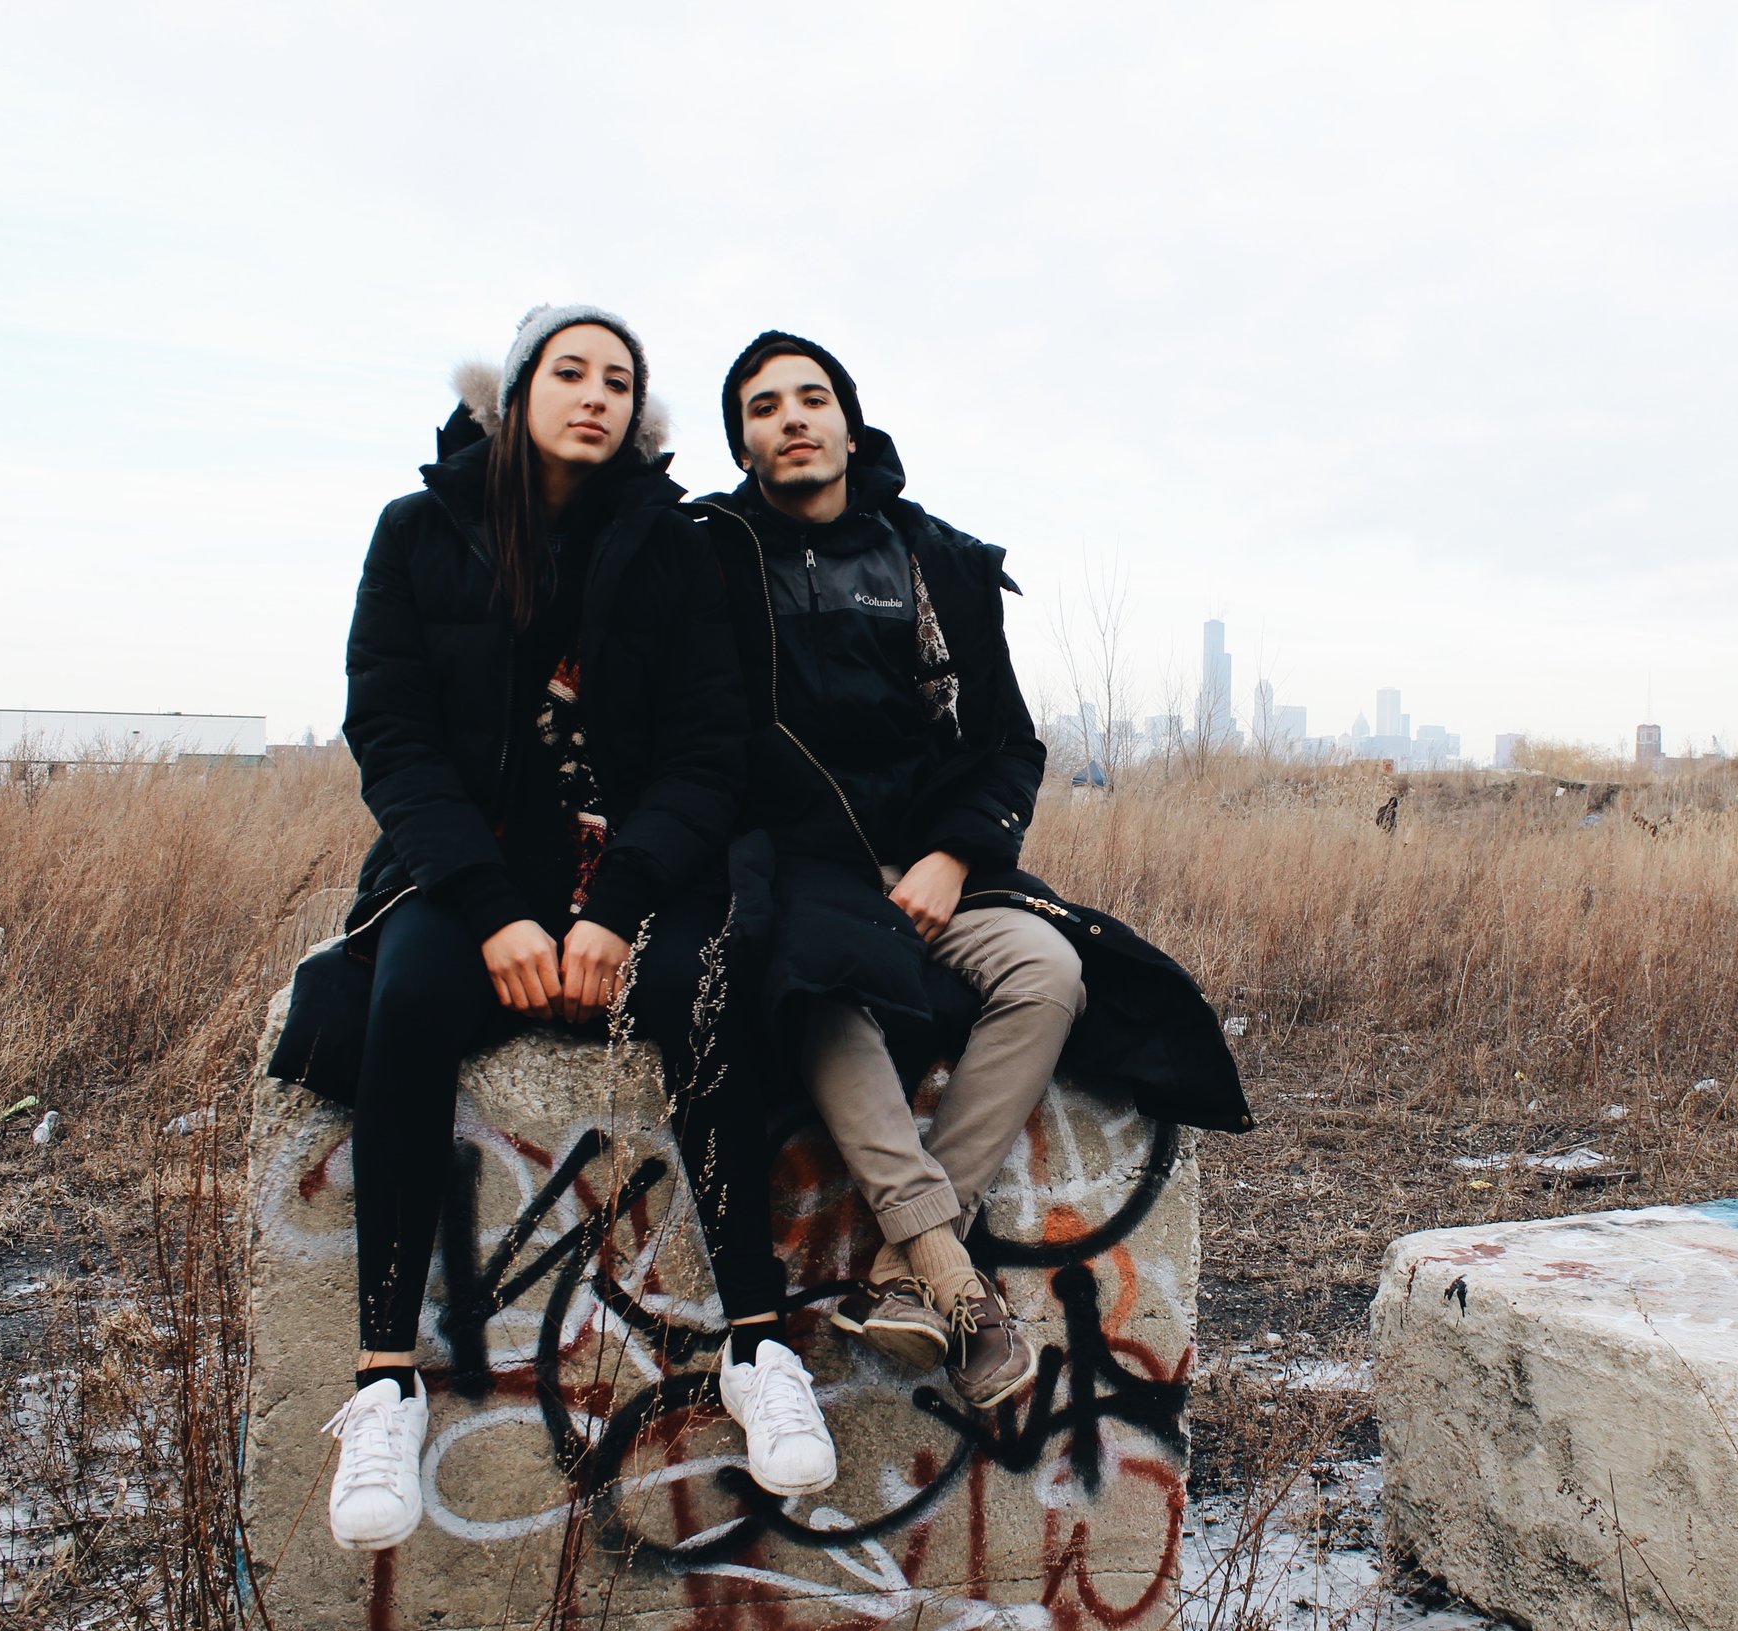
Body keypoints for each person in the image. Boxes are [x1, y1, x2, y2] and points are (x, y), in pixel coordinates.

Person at [320, 305, 834, 1552]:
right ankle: (383, 1380)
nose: (594, 395)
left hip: (637, 873)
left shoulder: (675, 547)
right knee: (403, 1007)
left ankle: (760, 1350)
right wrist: (492, 910)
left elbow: (711, 747)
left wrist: (612, 909)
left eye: (619, 380)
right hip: (467, 873)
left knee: (710, 1002)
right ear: (516, 392)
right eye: (569, 372)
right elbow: (389, 733)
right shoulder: (419, 531)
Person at [697, 332, 1256, 1412]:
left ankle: (906, 1271)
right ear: (744, 443)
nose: (793, 417)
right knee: (813, 982)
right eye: (765, 407)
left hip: (929, 868)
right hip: (789, 871)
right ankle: (956, 1282)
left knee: (1049, 966)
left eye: (813, 397)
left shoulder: (933, 561)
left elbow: (1008, 741)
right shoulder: (711, 558)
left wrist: (955, 855)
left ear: (850, 425)